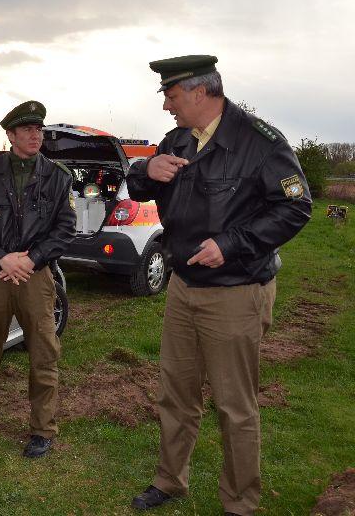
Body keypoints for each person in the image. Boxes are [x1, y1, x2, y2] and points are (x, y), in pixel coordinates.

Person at [127, 55, 312, 515]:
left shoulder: (260, 142)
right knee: (176, 394)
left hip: (235, 290)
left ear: (199, 91)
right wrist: (145, 172)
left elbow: (295, 206)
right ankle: (169, 481)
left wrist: (231, 244)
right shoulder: (177, 140)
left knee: (234, 406)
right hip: (184, 286)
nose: (168, 106)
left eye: (171, 96)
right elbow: (139, 185)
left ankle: (240, 502)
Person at [0, 100, 76, 458]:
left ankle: (42, 429)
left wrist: (32, 258)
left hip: (36, 277)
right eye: (26, 130)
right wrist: (3, 258)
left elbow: (65, 228)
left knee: (43, 353)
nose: (34, 135)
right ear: (10, 135)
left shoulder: (58, 176)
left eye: (38, 129)